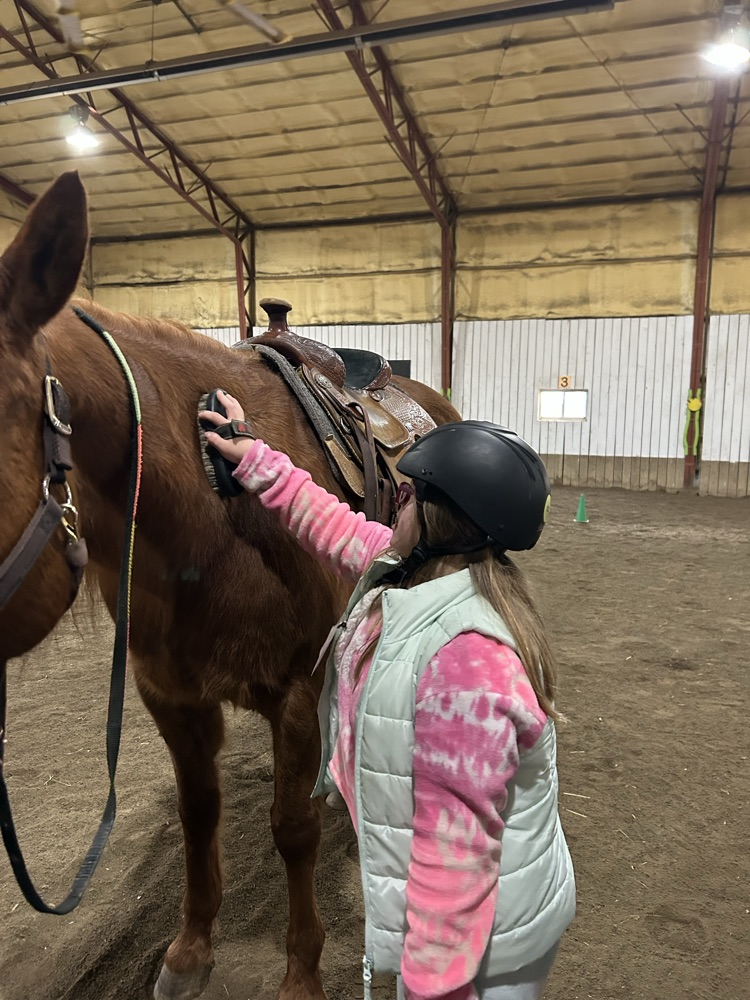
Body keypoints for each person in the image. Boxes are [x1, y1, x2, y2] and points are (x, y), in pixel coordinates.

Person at [200, 390, 575, 1000]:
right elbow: (328, 523)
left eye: (406, 500)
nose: (392, 510)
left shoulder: (466, 668)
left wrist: (432, 988)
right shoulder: (424, 570)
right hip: (478, 923)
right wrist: (253, 457)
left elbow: (454, 870)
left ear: (432, 521)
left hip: (486, 948)